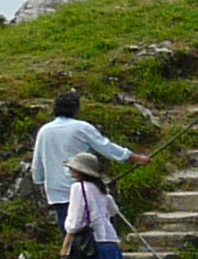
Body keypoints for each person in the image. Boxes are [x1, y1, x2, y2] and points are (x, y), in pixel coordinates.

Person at [28, 92, 134, 230]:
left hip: (57, 191)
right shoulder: (82, 127)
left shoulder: (44, 131)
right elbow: (105, 146)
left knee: (68, 230)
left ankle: (70, 251)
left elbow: (37, 163)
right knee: (93, 229)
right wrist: (130, 156)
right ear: (76, 109)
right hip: (84, 189)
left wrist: (39, 181)